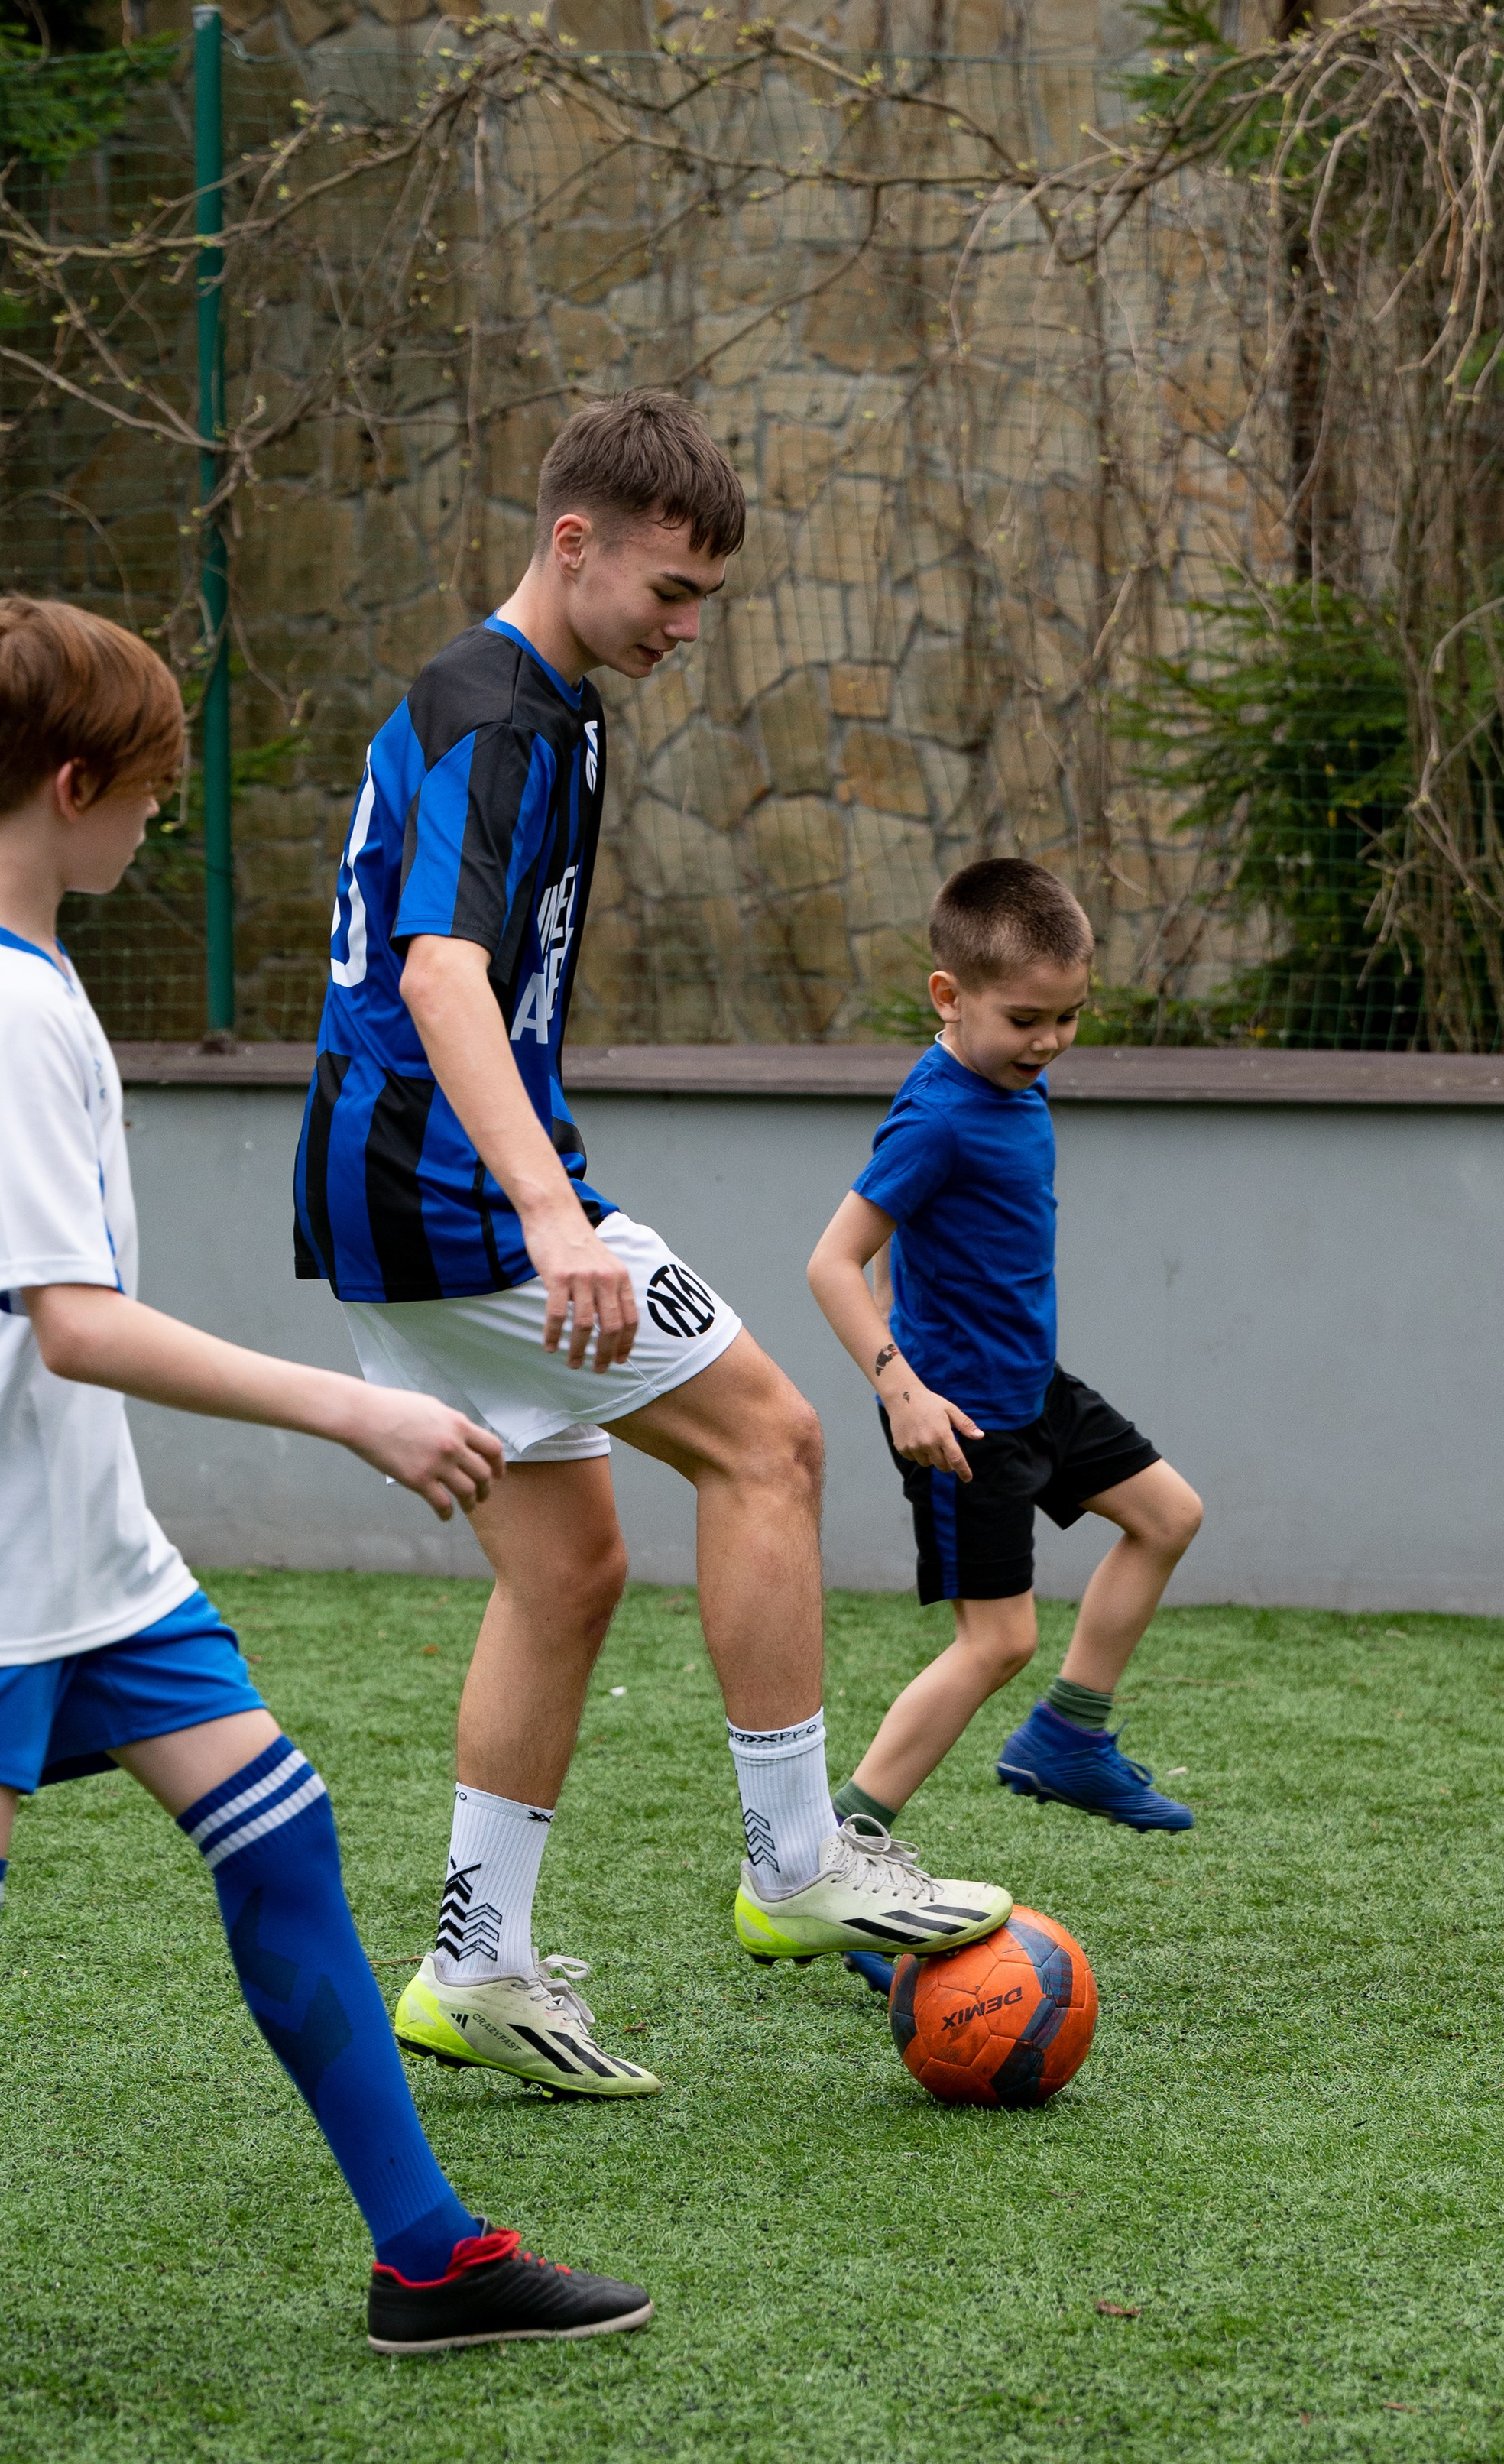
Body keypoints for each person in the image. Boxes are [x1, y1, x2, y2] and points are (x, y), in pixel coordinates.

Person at [293, 390, 1009, 2086]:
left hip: (405, 1180)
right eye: (670, 592)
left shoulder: (563, 709)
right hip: (454, 1189)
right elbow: (439, 974)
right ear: (572, 544)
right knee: (771, 1441)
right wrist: (554, 1215)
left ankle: (475, 1967)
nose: (688, 628)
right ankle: (793, 1863)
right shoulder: (497, 713)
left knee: (569, 1569)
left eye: (705, 598)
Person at [0, 592, 649, 2352]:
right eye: (147, 789)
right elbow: (75, 1326)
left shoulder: (40, 980)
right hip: (3, 1573)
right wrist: (351, 1409)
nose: (160, 820)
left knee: (278, 1841)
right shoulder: (4, 1009)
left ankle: (424, 2254)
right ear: (72, 785)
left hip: (84, 1555)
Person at [806, 858, 1207, 1995]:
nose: (1050, 1041)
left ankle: (1069, 1740)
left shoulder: (1013, 1084)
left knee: (1169, 1515)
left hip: (1034, 1387)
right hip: (958, 1421)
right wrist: (902, 1387)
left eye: (1071, 1016)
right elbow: (835, 1262)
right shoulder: (936, 1118)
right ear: (948, 996)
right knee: (997, 1642)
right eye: (1026, 1019)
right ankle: (842, 1863)